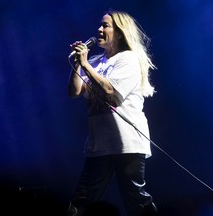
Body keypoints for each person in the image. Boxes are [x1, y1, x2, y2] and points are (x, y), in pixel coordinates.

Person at [67, 9, 158, 216]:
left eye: (105, 25)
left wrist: (85, 65)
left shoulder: (129, 59)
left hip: (126, 142)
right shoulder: (97, 61)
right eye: (100, 25)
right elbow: (74, 92)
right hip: (99, 143)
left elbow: (110, 90)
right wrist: (77, 66)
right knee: (82, 199)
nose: (99, 29)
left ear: (119, 32)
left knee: (135, 198)